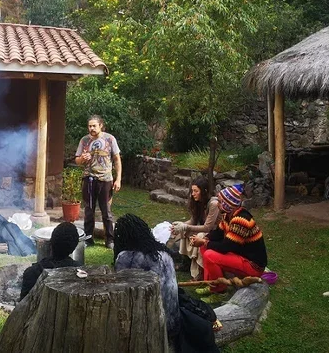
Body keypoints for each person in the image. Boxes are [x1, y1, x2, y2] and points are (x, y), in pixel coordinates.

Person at [114, 214, 219, 353]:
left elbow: (123, 294)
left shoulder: (125, 258)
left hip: (146, 324)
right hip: (173, 320)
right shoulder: (163, 254)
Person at [198, 185, 268, 295]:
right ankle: (211, 283)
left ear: (228, 204)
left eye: (220, 202)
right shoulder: (227, 216)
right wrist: (204, 239)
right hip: (240, 256)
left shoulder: (240, 220)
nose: (217, 204)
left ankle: (220, 291)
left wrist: (205, 242)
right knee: (203, 247)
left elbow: (225, 247)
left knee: (209, 255)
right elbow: (218, 233)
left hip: (252, 265)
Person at [75, 115, 121, 249]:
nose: (91, 128)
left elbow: (117, 159)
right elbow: (77, 160)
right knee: (89, 211)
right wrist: (82, 159)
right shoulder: (84, 140)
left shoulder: (110, 139)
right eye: (89, 126)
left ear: (101, 125)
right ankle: (88, 239)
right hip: (89, 179)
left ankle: (110, 240)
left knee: (106, 211)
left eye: (94, 126)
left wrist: (118, 179)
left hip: (105, 180)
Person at [171, 176, 221, 280]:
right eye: (192, 191)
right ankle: (186, 262)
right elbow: (193, 221)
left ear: (204, 191)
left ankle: (199, 272)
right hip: (206, 230)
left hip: (216, 234)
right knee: (185, 231)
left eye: (196, 191)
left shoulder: (214, 204)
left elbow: (207, 227)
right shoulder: (198, 202)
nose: (193, 194)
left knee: (200, 235)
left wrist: (185, 226)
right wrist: (179, 225)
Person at [19, 222, 80, 300]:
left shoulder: (31, 273)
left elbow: (22, 304)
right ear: (74, 247)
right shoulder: (79, 273)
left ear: (51, 243)